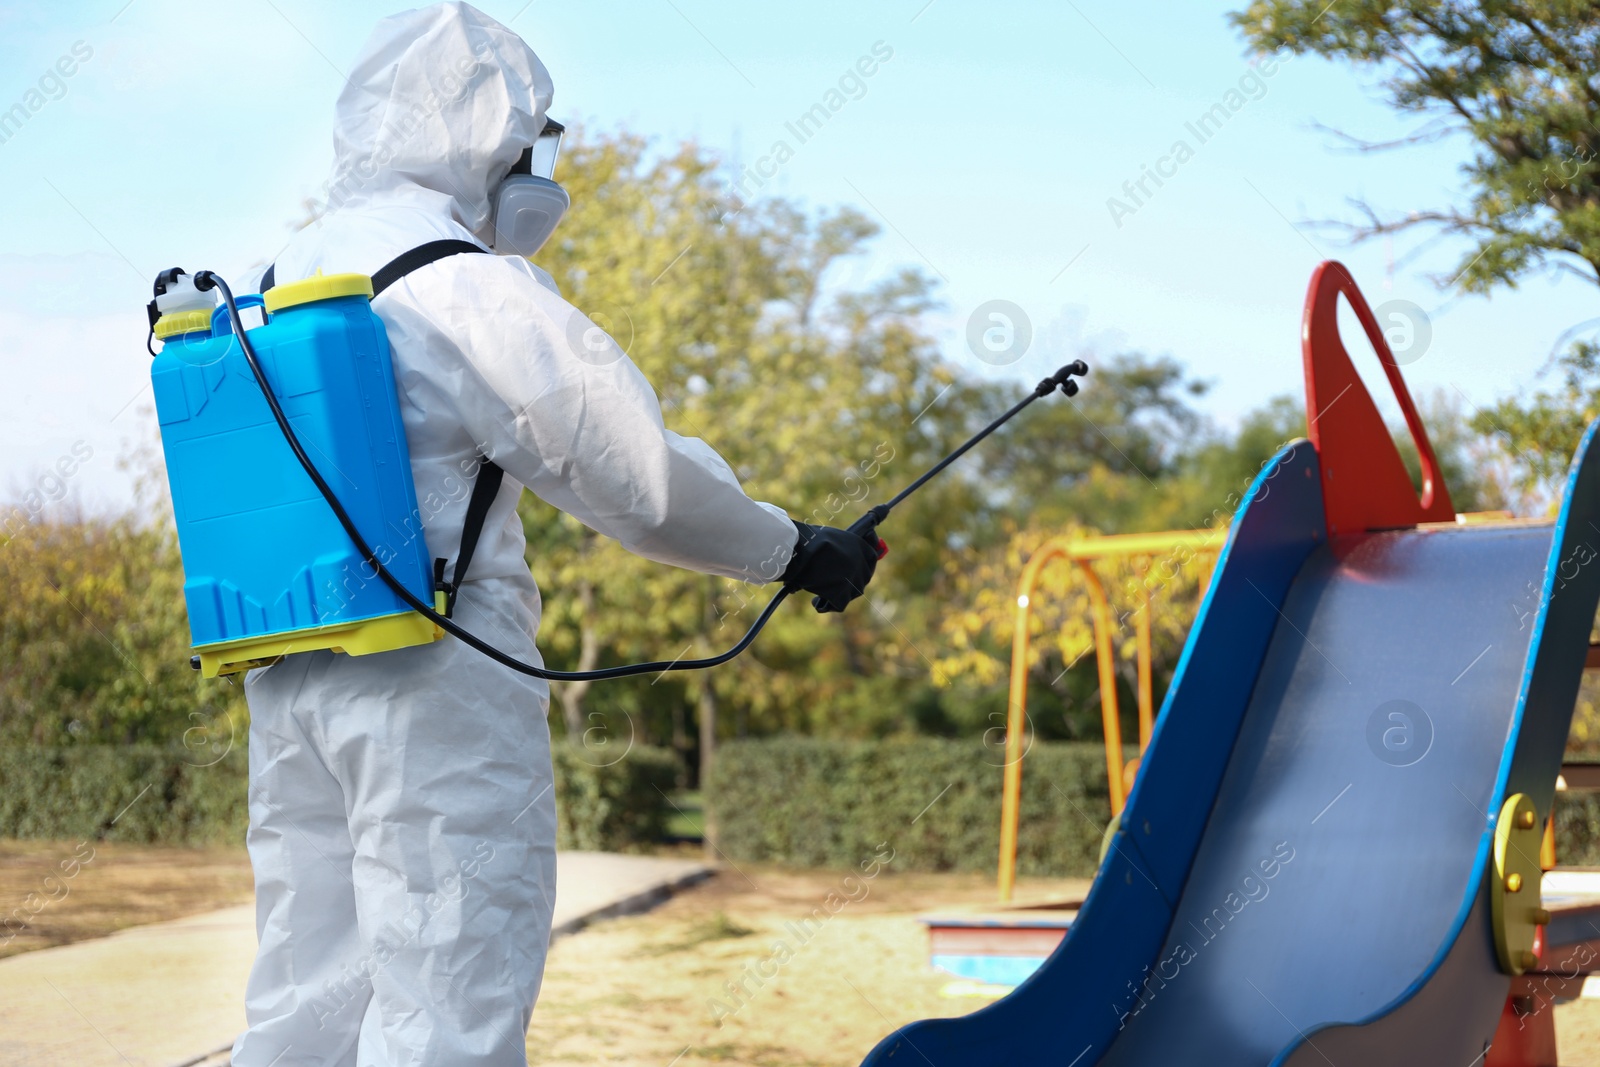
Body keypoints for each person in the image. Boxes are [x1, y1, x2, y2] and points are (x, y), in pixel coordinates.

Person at [231, 5, 880, 1065]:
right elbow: (636, 473)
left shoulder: (270, 287)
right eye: (529, 134)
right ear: (484, 132)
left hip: (293, 671)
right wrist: (795, 547)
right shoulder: (460, 285)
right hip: (431, 674)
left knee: (306, 988)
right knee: (449, 984)